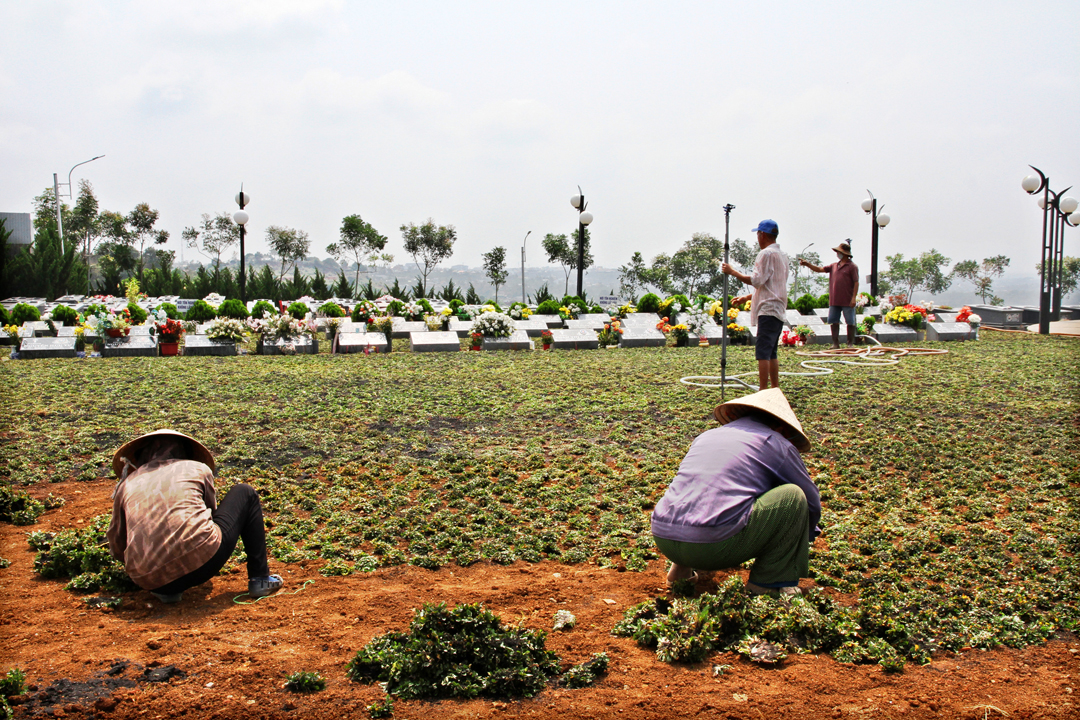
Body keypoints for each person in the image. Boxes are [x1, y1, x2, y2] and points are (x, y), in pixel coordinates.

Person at [651, 388, 821, 596]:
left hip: (663, 537)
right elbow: (811, 502)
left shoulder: (707, 436)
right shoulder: (776, 442)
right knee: (793, 496)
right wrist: (803, 535)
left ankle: (680, 570)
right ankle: (768, 584)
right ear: (782, 428)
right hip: (712, 547)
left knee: (701, 493)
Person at [107, 429, 283, 604]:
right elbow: (210, 514)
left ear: (142, 455)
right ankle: (260, 578)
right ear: (184, 451)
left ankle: (168, 593)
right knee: (245, 492)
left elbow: (117, 544)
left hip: (146, 580)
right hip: (201, 564)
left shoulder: (127, 484)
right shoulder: (197, 468)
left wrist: (148, 565)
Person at [721, 219, 790, 389]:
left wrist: (733, 272)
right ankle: (774, 388)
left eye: (758, 234)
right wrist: (746, 298)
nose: (757, 238)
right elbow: (771, 285)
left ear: (763, 234)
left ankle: (763, 390)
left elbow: (757, 280)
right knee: (772, 352)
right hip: (778, 308)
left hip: (767, 310)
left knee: (763, 353)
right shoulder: (783, 256)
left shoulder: (765, 254)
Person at [800, 241, 860, 349]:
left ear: (845, 254)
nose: (837, 254)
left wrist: (853, 298)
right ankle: (835, 343)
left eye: (839, 252)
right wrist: (807, 264)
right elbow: (819, 270)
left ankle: (850, 343)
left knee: (850, 322)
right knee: (833, 321)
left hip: (847, 299)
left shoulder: (852, 267)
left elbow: (856, 282)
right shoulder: (834, 266)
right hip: (835, 300)